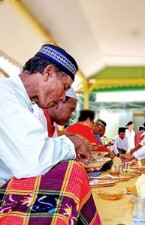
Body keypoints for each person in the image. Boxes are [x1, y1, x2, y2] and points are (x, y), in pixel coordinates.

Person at [0, 44, 101, 224]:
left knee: (67, 170)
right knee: (70, 172)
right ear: (48, 72)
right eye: (64, 86)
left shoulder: (20, 101)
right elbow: (33, 161)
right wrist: (73, 143)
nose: (63, 97)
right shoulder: (4, 95)